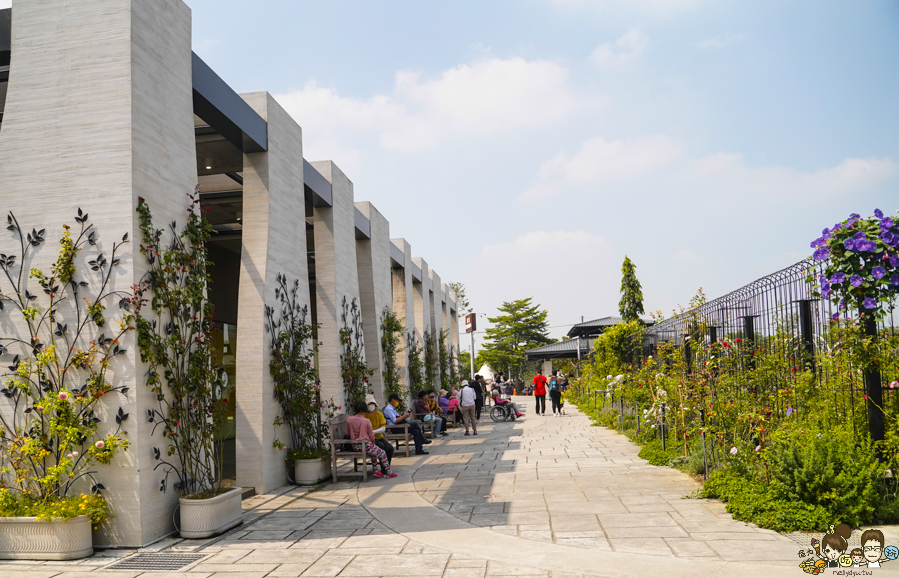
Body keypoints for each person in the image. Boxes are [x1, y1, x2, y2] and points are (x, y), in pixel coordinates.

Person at [347, 401, 396, 478]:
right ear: (365, 409)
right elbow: (371, 436)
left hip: (355, 446)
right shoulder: (366, 420)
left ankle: (376, 470)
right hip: (365, 445)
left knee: (374, 452)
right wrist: (373, 444)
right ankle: (389, 471)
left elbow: (347, 433)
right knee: (382, 452)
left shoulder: (349, 419)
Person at [363, 394, 393, 468]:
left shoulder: (379, 415)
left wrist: (371, 432)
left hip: (379, 437)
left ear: (375, 404)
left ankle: (386, 467)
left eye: (372, 403)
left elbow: (383, 429)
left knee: (390, 448)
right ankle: (383, 467)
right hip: (369, 439)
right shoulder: (364, 415)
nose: (370, 405)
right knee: (381, 446)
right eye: (369, 404)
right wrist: (370, 433)